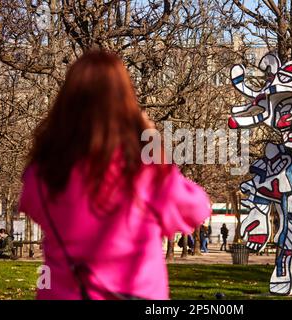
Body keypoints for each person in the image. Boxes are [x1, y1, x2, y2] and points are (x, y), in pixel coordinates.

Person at [18, 50, 211, 300]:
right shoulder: (146, 170)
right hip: (137, 292)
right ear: (124, 99)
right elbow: (196, 208)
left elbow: (34, 208)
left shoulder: (43, 171)